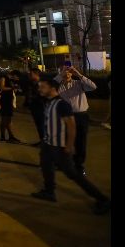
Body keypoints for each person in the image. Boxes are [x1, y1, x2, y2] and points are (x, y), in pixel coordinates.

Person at [31, 79, 110, 215]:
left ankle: (102, 199)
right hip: (48, 145)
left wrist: (68, 146)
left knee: (73, 174)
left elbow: (72, 126)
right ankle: (49, 191)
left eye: (43, 87)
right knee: (46, 167)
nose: (40, 89)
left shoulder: (62, 105)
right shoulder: (48, 102)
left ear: (52, 88)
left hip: (59, 147)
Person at [54, 65, 97, 175]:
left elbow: (93, 87)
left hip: (81, 116)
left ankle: (79, 165)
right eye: (65, 72)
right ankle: (63, 163)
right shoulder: (57, 86)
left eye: (69, 72)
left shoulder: (79, 83)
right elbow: (49, 86)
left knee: (80, 142)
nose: (67, 73)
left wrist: (78, 74)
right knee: (63, 141)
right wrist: (60, 74)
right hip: (65, 117)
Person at [23, 67, 46, 145]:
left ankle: (45, 142)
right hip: (34, 107)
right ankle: (42, 140)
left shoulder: (42, 84)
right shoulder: (30, 83)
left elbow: (43, 96)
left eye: (31, 74)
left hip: (41, 108)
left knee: (42, 125)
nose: (29, 75)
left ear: (36, 74)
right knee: (39, 125)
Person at [0, 71, 21, 143]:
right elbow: (1, 87)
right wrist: (12, 88)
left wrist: (14, 89)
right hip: (4, 101)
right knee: (4, 119)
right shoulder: (3, 78)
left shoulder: (11, 81)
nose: (18, 79)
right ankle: (2, 137)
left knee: (9, 120)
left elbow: (11, 89)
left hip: (9, 102)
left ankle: (11, 136)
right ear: (14, 75)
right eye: (17, 77)